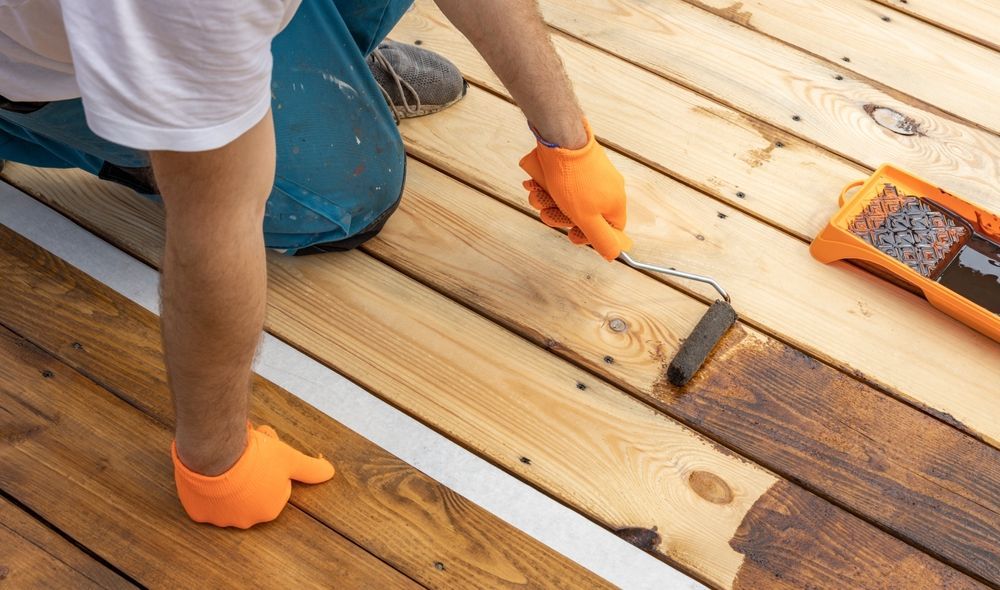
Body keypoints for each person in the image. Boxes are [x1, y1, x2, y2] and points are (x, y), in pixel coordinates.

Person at [0, 0, 633, 528]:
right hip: (65, 67)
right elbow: (215, 216)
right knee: (345, 201)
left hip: (189, 27)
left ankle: (301, 79)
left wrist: (567, 141)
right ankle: (99, 133)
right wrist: (214, 462)